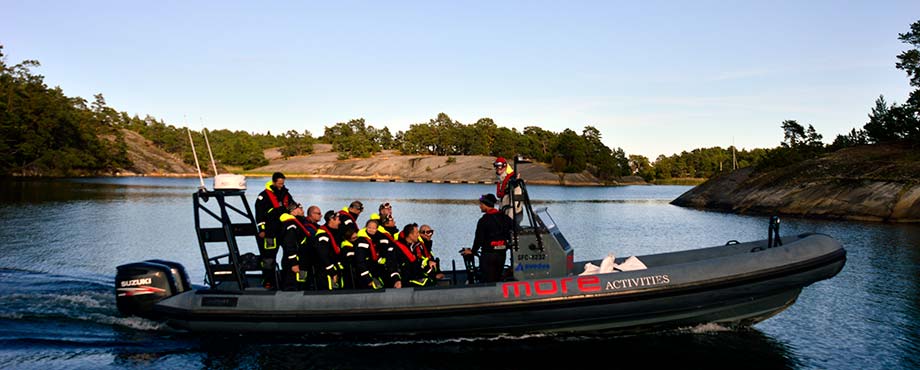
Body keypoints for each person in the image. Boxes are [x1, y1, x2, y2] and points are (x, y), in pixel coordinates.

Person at [254, 172, 296, 289]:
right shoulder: (263, 196)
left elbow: (292, 206)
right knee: (269, 258)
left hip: (284, 230)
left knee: (289, 255)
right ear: (273, 182)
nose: (281, 185)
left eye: (282, 183)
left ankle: (286, 280)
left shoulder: (286, 194)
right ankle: (268, 281)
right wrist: (262, 229)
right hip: (270, 232)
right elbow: (259, 215)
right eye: (279, 183)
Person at [461, 194, 513, 283]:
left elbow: (478, 239)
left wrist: (472, 251)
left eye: (481, 204)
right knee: (497, 278)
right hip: (501, 254)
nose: (480, 206)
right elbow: (513, 231)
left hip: (488, 256)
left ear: (485, 204)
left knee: (487, 280)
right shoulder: (505, 217)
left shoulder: (484, 220)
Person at [388, 223, 436, 287]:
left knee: (431, 280)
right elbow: (392, 266)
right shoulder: (395, 249)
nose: (418, 235)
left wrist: (428, 263)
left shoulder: (414, 246)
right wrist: (396, 280)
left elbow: (418, 262)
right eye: (416, 233)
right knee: (427, 283)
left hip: (414, 276)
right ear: (410, 235)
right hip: (404, 280)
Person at [278, 203, 313, 291]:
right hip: (294, 262)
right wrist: (294, 263)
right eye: (300, 208)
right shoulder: (291, 225)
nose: (303, 211)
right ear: (292, 211)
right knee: (292, 285)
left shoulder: (298, 223)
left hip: (301, 260)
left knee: (302, 283)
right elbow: (289, 244)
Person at [314, 210, 343, 290]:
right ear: (331, 220)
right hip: (326, 271)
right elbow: (323, 255)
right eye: (338, 220)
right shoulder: (322, 235)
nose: (340, 222)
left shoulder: (335, 232)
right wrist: (332, 271)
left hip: (334, 268)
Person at [354, 219, 385, 290]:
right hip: (366, 273)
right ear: (366, 227)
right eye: (369, 227)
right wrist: (367, 278)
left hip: (375, 271)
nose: (371, 230)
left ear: (377, 229)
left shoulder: (377, 239)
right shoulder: (362, 241)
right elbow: (360, 261)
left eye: (374, 228)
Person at [493, 157, 522, 224]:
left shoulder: (513, 182)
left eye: (500, 167)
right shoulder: (502, 181)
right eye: (496, 166)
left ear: (505, 166)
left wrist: (509, 221)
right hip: (504, 213)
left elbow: (515, 204)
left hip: (512, 216)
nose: (498, 169)